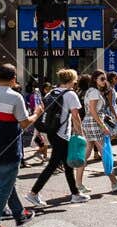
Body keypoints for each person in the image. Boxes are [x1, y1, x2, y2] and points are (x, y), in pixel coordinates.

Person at [0, 64, 37, 227]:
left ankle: (19, 214)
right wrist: (38, 113)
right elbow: (24, 123)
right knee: (3, 186)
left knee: (6, 182)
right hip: (10, 148)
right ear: (13, 79)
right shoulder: (15, 97)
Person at [28, 69, 86, 205]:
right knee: (53, 165)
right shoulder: (71, 94)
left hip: (52, 132)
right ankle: (33, 193)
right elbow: (76, 116)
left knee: (67, 165)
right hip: (62, 134)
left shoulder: (52, 92)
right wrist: (81, 134)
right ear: (72, 80)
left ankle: (75, 194)